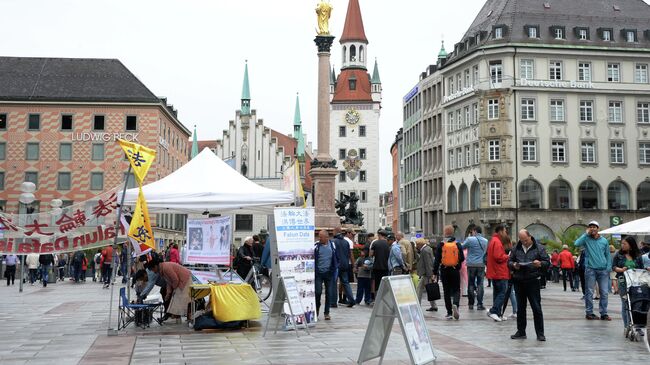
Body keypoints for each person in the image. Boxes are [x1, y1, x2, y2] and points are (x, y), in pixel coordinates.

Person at [508, 229, 550, 341]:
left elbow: (547, 262)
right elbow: (509, 262)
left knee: (536, 307)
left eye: (525, 240)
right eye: (521, 241)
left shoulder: (539, 248)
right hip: (519, 281)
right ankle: (521, 332)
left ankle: (540, 333)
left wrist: (540, 264)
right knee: (521, 308)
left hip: (533, 281)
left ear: (530, 237)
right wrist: (514, 265)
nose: (524, 243)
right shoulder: (516, 248)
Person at [574, 221, 612, 321]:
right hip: (590, 269)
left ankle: (604, 313)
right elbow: (576, 243)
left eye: (594, 227)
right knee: (589, 292)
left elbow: (608, 254)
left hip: (603, 270)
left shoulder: (604, 241)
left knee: (604, 292)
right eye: (590, 227)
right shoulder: (586, 239)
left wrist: (608, 268)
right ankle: (589, 312)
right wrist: (585, 234)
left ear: (598, 228)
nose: (592, 228)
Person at [433, 225, 465, 320]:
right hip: (455, 270)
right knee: (456, 289)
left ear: (445, 233)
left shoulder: (441, 244)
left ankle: (449, 312)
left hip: (444, 270)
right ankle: (455, 304)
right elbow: (462, 258)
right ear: (452, 233)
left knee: (446, 291)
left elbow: (437, 260)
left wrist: (434, 272)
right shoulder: (457, 244)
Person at [612, 236, 644, 329]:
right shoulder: (619, 255)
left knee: (636, 303)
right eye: (622, 243)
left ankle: (637, 325)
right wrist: (621, 269)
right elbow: (613, 267)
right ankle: (627, 326)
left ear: (631, 245)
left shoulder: (638, 255)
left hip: (636, 282)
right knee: (625, 303)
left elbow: (641, 268)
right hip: (623, 282)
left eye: (624, 244)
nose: (622, 245)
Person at [486, 224, 510, 322]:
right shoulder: (497, 242)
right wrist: (508, 256)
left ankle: (498, 314)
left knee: (497, 293)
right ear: (500, 231)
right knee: (502, 293)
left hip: (495, 272)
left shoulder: (493, 240)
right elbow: (498, 257)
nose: (505, 233)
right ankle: (494, 311)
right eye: (505, 231)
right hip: (500, 272)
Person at [462, 225, 488, 311]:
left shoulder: (470, 239)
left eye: (472, 232)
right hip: (481, 264)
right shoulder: (485, 241)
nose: (472, 233)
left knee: (471, 284)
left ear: (475, 231)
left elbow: (462, 247)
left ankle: (471, 304)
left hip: (471, 264)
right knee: (480, 284)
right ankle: (480, 304)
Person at [314, 230, 337, 320]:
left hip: (329, 273)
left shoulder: (332, 245)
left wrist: (335, 268)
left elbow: (335, 257)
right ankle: (316, 309)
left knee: (329, 293)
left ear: (326, 237)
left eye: (321, 237)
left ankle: (327, 312)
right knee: (318, 292)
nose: (319, 238)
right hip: (319, 273)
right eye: (319, 236)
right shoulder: (316, 246)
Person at [332, 227, 355, 307]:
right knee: (346, 283)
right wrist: (353, 265)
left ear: (335, 232)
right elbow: (349, 254)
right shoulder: (346, 242)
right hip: (345, 265)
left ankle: (333, 302)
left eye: (333, 231)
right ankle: (351, 300)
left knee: (333, 283)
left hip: (336, 266)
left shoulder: (333, 242)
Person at [415, 238, 438, 312]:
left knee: (420, 289)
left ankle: (417, 305)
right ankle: (433, 306)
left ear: (420, 244)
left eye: (417, 244)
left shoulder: (424, 251)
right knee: (428, 289)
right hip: (426, 273)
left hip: (426, 274)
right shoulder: (428, 248)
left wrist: (430, 274)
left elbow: (428, 263)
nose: (416, 246)